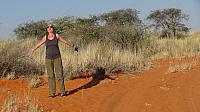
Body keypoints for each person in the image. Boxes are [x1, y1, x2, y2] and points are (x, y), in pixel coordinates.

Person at [30, 24, 78, 98]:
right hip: (48, 58)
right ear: (47, 29)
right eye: (48, 27)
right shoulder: (45, 37)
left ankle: (62, 92)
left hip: (57, 58)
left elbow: (65, 41)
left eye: (51, 27)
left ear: (53, 29)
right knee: (50, 76)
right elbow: (39, 44)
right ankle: (52, 93)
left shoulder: (57, 36)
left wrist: (73, 46)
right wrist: (33, 49)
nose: (49, 28)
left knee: (59, 74)